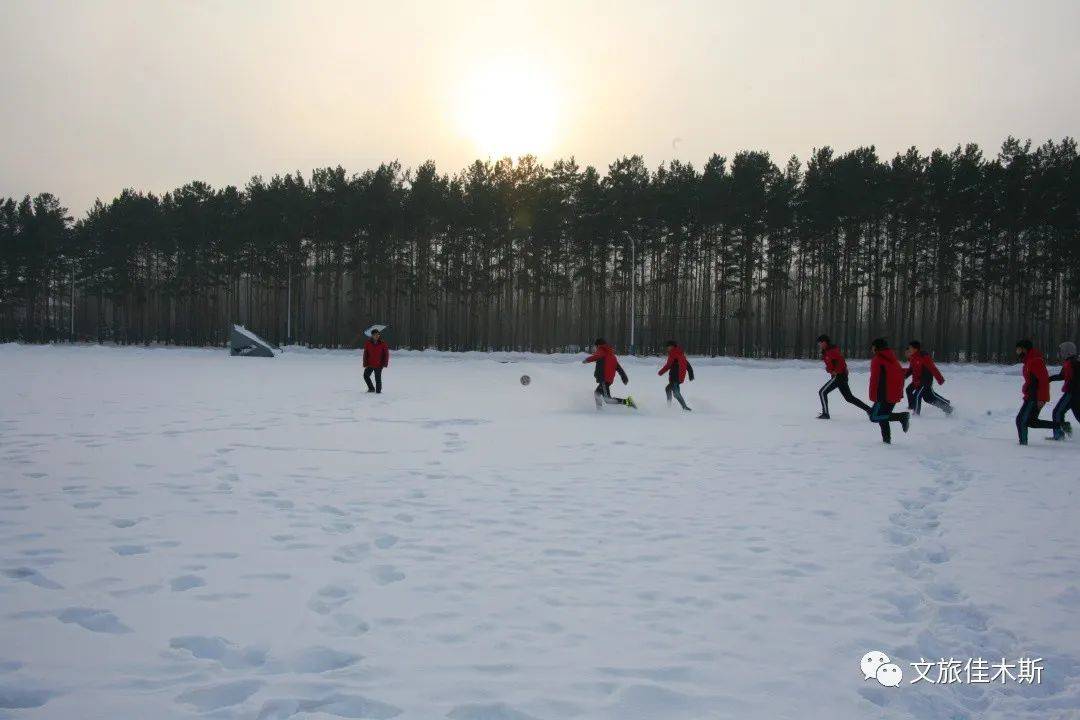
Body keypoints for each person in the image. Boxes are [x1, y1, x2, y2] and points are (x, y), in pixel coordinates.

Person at [1014, 339, 1066, 444]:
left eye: (1019, 350)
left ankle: (1022, 446)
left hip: (1034, 397)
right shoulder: (1028, 361)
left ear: (1025, 349)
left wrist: (1041, 398)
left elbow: (1043, 381)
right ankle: (1062, 425)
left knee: (1021, 420)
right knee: (1032, 422)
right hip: (1031, 395)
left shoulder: (1035, 361)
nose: (1017, 352)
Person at [815, 334, 871, 419]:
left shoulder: (832, 351)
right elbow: (832, 364)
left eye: (820, 343)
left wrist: (836, 372)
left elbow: (841, 362)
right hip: (841, 376)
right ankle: (869, 410)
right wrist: (829, 369)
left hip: (839, 376)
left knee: (822, 392)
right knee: (849, 398)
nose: (819, 345)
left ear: (824, 342)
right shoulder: (827, 351)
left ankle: (825, 414)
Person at [868, 338, 911, 444]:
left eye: (873, 346)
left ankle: (902, 416)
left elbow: (875, 379)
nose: (871, 349)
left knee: (874, 416)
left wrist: (874, 396)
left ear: (876, 347)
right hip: (893, 392)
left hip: (883, 394)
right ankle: (886, 441)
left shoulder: (878, 359)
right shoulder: (892, 358)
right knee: (883, 416)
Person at [583, 338, 636, 410]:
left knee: (608, 399)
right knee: (597, 394)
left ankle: (628, 402)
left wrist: (587, 360)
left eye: (595, 346)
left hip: (604, 379)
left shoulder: (601, 350)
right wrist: (624, 377)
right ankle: (599, 410)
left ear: (598, 345)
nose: (595, 348)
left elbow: (597, 356)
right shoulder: (611, 354)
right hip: (607, 379)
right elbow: (618, 367)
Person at [903, 341, 953, 416]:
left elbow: (933, 368)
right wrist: (903, 377)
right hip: (917, 381)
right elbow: (911, 369)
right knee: (928, 398)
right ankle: (947, 408)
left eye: (910, 348)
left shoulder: (924, 356)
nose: (909, 349)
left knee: (917, 395)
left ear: (915, 349)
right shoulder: (913, 357)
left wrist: (940, 379)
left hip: (925, 381)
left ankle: (916, 414)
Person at [1048, 341, 1078, 440]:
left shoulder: (1072, 363)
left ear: (1067, 351)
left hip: (1071, 394)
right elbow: (1062, 376)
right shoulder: (1070, 362)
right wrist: (1049, 379)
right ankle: (1063, 431)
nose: (1060, 353)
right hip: (1073, 393)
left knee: (1057, 412)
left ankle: (1059, 435)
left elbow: (1073, 379)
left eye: (1061, 351)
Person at [658, 339, 694, 411]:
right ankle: (675, 406)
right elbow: (687, 365)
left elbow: (668, 365)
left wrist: (661, 372)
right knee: (671, 391)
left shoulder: (673, 353)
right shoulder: (680, 353)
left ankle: (675, 406)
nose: (667, 348)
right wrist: (691, 374)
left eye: (668, 347)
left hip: (675, 376)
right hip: (679, 377)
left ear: (672, 346)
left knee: (673, 392)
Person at [362, 328, 389, 393]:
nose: (377, 336)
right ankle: (371, 388)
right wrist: (365, 363)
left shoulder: (383, 343)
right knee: (365, 375)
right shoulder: (368, 343)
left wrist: (385, 363)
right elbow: (365, 354)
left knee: (377, 378)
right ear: (372, 335)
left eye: (378, 334)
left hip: (379, 364)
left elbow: (386, 354)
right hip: (370, 364)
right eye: (375, 335)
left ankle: (378, 392)